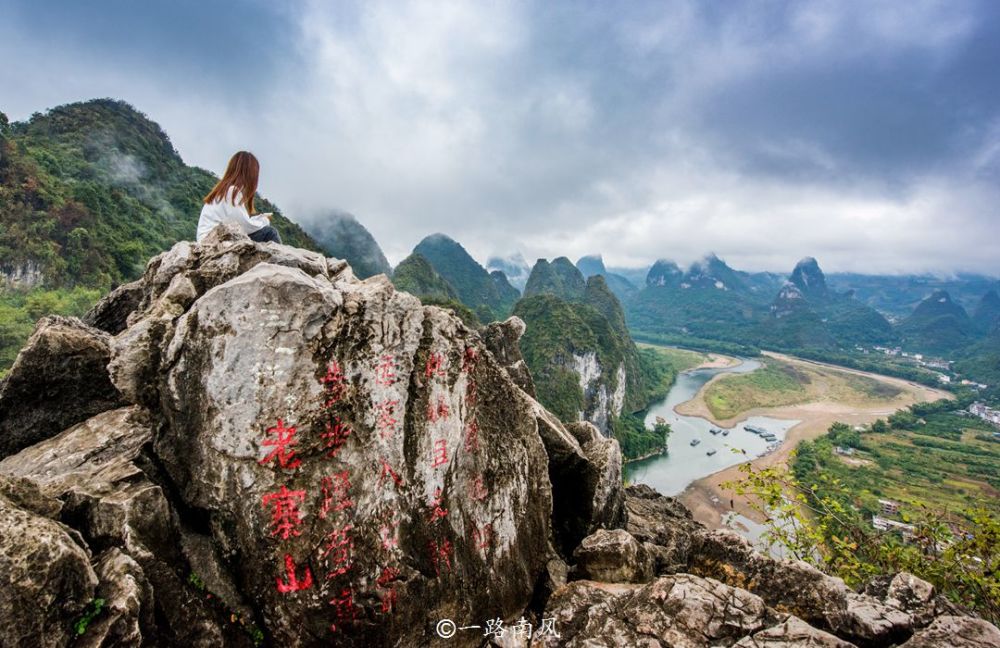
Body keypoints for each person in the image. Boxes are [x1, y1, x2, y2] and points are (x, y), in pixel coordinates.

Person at [196, 151, 282, 244]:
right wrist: (264, 220)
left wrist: (259, 219)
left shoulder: (224, 190)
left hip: (208, 238)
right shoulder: (232, 191)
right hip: (213, 241)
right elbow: (243, 226)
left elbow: (238, 220)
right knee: (270, 232)